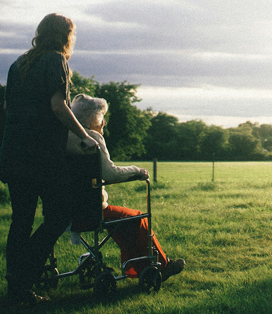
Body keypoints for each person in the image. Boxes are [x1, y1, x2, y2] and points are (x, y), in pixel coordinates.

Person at [0, 14, 98, 304]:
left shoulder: (18, 64)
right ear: (66, 36)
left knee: (22, 220)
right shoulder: (56, 61)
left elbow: (8, 106)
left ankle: (16, 286)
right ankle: (23, 276)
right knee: (59, 216)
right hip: (40, 156)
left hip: (13, 152)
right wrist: (84, 136)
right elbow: (58, 106)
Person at [66, 93, 185, 281]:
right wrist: (137, 171)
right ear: (92, 118)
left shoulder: (66, 137)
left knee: (123, 220)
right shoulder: (92, 138)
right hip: (92, 211)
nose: (104, 123)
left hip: (67, 211)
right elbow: (110, 174)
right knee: (137, 217)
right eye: (102, 117)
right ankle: (162, 265)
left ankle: (137, 268)